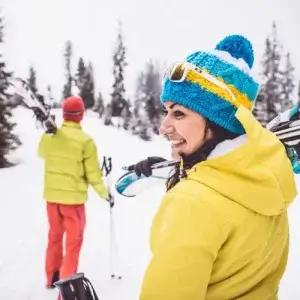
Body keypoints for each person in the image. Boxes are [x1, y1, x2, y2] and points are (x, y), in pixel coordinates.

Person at [129, 35, 297, 299]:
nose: (163, 127)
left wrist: (186, 187)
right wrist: (180, 170)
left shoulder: (192, 204)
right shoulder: (268, 185)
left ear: (218, 122)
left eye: (179, 113)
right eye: (166, 111)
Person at [37, 95, 114, 290]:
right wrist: (106, 194)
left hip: (52, 199)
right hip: (73, 203)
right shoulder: (85, 141)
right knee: (73, 243)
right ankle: (67, 289)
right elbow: (94, 175)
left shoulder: (50, 136)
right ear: (81, 115)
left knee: (54, 236)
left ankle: (51, 276)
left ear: (63, 115)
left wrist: (51, 135)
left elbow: (41, 153)